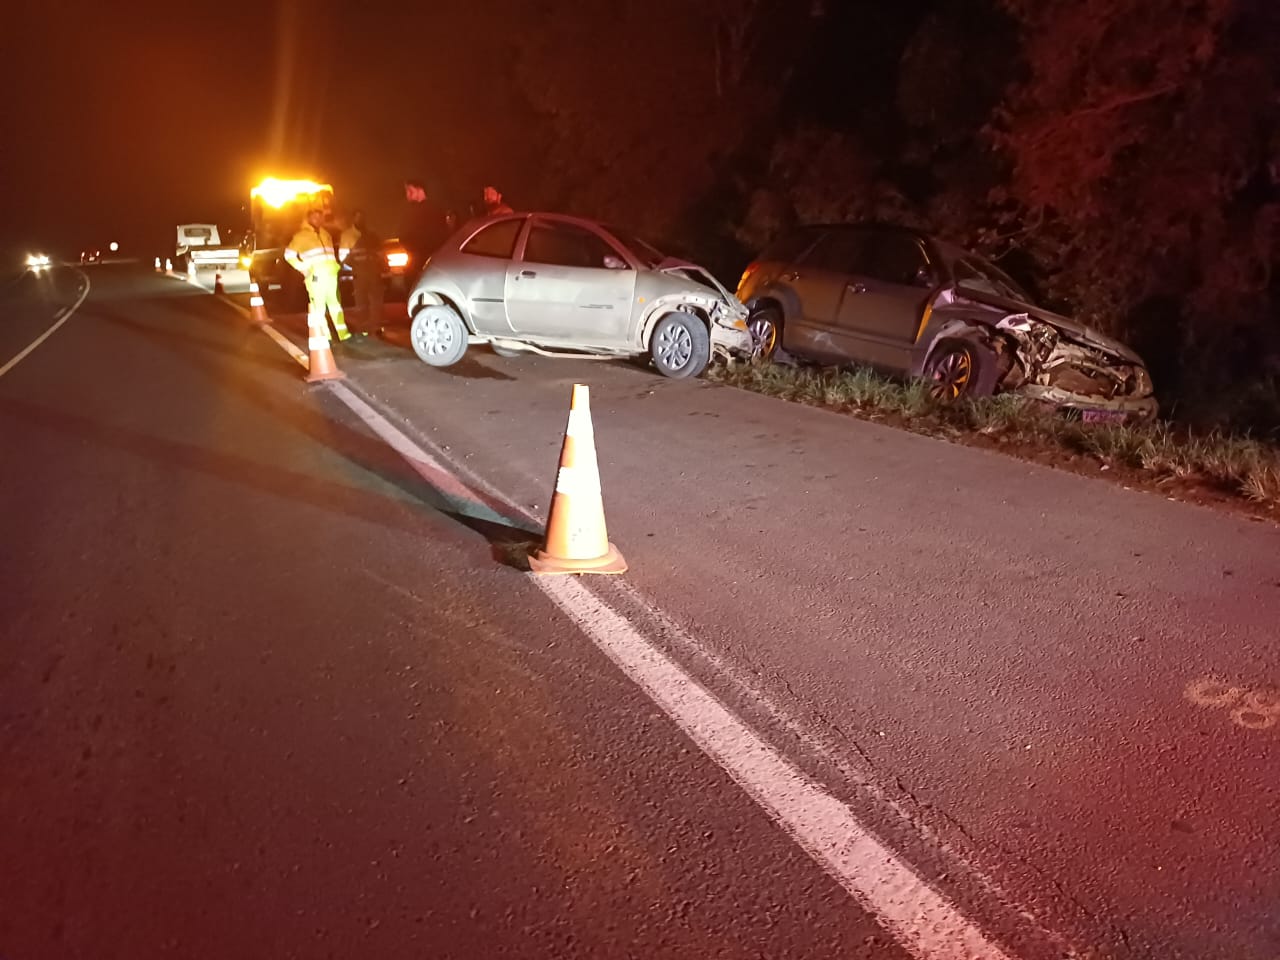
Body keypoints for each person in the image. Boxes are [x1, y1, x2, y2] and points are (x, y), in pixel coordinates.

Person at [284, 207, 351, 344]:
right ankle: (324, 335)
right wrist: (304, 269)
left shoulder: (326, 233)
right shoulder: (300, 236)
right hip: (315, 277)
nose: (319, 220)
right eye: (315, 217)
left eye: (321, 217)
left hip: (330, 276)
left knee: (335, 304)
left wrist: (336, 267)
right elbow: (288, 255)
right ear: (309, 219)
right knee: (318, 306)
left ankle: (343, 333)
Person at [339, 210, 382, 333]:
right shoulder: (347, 235)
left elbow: (380, 255)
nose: (360, 220)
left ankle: (374, 326)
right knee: (363, 301)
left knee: (373, 301)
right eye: (358, 217)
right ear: (353, 219)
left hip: (370, 274)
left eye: (362, 217)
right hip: (360, 274)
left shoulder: (371, 236)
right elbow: (344, 258)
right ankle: (365, 326)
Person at [400, 179, 448, 277]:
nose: (408, 195)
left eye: (410, 191)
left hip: (426, 261)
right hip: (417, 260)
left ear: (420, 190)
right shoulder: (412, 211)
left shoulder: (432, 211)